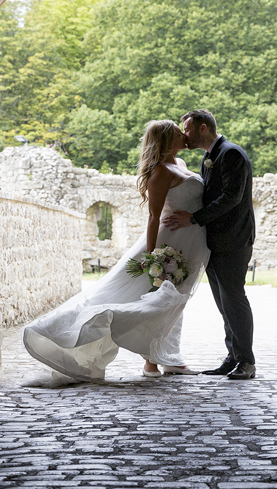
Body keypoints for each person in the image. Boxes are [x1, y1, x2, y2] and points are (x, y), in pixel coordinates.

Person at [22, 120, 209, 382]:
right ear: (167, 139)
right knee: (156, 299)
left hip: (191, 241)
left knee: (172, 301)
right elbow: (154, 217)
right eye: (179, 133)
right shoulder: (160, 172)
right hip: (170, 244)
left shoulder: (180, 165)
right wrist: (153, 256)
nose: (184, 136)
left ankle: (160, 360)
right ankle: (150, 358)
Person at [163, 109, 257, 380]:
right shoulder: (209, 157)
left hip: (234, 239)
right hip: (214, 240)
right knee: (223, 302)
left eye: (188, 130)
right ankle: (233, 356)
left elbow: (232, 197)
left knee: (234, 299)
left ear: (203, 128)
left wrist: (194, 218)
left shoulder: (231, 154)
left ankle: (247, 362)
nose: (185, 136)